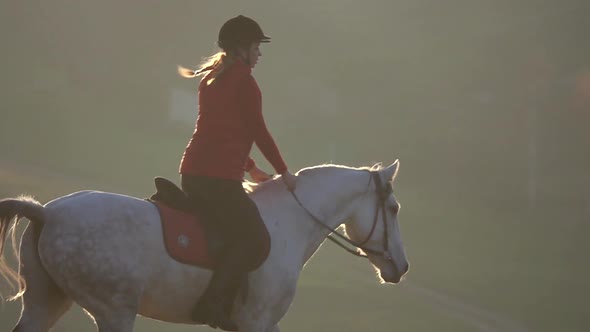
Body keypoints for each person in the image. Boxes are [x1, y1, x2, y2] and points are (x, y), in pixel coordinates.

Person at [177, 15, 297, 331]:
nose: (259, 53)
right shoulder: (244, 81)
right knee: (256, 239)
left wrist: (253, 168)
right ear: (242, 48)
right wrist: (284, 172)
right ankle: (212, 303)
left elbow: (222, 131)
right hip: (218, 179)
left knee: (227, 231)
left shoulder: (211, 78)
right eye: (256, 46)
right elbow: (257, 131)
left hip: (192, 173)